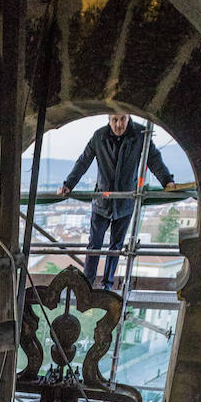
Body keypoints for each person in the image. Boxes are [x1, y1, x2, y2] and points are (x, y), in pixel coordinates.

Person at [57, 114, 175, 290]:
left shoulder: (140, 135)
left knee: (116, 246)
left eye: (122, 119)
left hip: (125, 202)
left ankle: (107, 285)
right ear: (109, 119)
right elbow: (83, 161)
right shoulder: (99, 137)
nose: (118, 124)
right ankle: (87, 284)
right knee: (94, 244)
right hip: (102, 202)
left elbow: (154, 159)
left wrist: (167, 181)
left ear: (128, 118)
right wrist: (68, 185)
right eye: (114, 120)